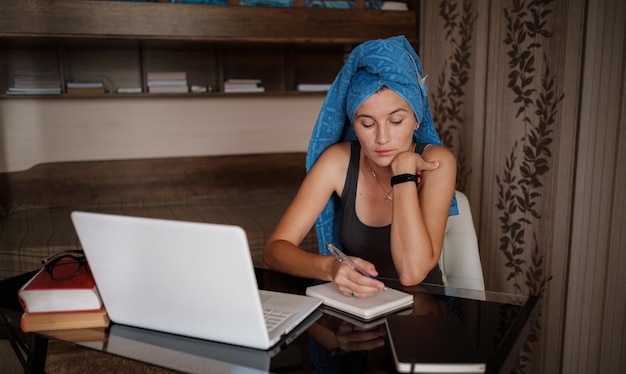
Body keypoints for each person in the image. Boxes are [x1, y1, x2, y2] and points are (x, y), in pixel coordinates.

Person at [263, 35, 458, 299]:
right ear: (353, 125)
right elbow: (275, 250)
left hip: (423, 310)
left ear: (416, 121)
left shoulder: (439, 163)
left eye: (396, 121)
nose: (382, 138)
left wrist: (403, 173)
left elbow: (412, 273)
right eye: (367, 124)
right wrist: (331, 268)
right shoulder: (337, 161)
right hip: (358, 308)